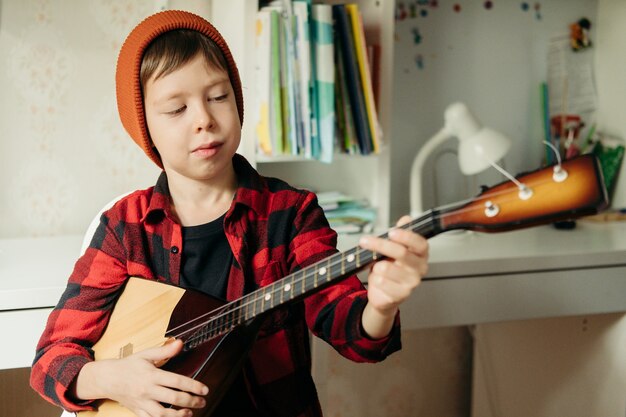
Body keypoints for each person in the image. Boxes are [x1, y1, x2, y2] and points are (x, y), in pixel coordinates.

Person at [30, 10, 429, 417]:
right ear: (144, 127)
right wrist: (114, 380)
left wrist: (380, 306)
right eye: (176, 109)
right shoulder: (124, 226)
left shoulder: (290, 214)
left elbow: (355, 336)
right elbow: (50, 358)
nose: (204, 119)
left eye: (218, 97)